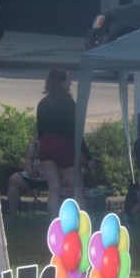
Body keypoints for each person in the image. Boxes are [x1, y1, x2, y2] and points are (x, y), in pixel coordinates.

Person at [36, 69, 95, 215]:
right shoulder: (68, 103)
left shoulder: (42, 103)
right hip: (63, 145)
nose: (70, 82)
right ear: (61, 82)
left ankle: (53, 226)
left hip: (46, 144)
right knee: (77, 188)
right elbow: (75, 132)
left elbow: (40, 131)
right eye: (68, 80)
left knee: (54, 190)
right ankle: (82, 221)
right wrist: (88, 157)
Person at [6, 138, 46, 219]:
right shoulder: (36, 141)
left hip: (53, 177)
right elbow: (29, 158)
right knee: (14, 179)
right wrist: (29, 170)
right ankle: (12, 216)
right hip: (34, 175)